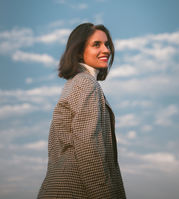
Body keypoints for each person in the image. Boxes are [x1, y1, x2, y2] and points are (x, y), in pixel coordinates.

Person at [37, 23, 126, 199]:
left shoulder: (73, 84)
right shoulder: (86, 83)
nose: (106, 50)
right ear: (78, 51)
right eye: (96, 44)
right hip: (77, 191)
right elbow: (88, 147)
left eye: (107, 44)